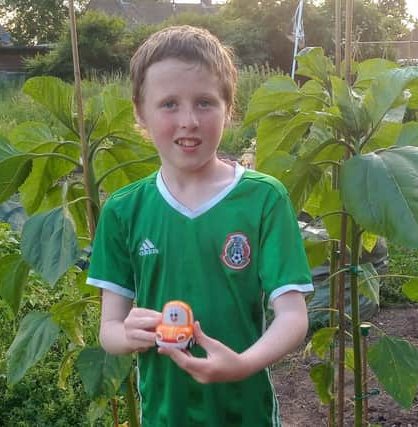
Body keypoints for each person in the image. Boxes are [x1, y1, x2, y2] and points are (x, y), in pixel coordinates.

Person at [86, 25, 313, 427]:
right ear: (140, 111)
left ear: (229, 107)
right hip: (164, 413)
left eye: (205, 102)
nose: (188, 120)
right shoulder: (123, 210)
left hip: (246, 412)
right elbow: (109, 329)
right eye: (169, 104)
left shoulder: (264, 199)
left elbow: (293, 316)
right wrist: (129, 334)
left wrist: (243, 364)